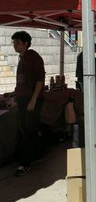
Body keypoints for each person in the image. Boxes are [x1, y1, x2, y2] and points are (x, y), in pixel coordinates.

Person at [7, 31, 46, 176]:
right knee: (25, 129)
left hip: (31, 99)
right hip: (23, 99)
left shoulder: (33, 57)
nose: (14, 45)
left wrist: (34, 99)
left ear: (25, 44)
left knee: (28, 130)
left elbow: (40, 80)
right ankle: (34, 155)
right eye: (13, 42)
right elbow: (22, 82)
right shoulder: (21, 58)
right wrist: (14, 94)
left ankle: (25, 163)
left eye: (17, 42)